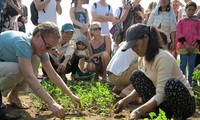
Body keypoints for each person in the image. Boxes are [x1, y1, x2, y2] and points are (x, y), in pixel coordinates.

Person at [114, 23, 195, 120]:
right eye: (132, 47)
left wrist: (138, 111)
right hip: (165, 102)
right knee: (137, 76)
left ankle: (177, 117)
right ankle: (155, 112)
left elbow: (161, 94)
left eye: (136, 45)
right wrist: (124, 101)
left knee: (172, 84)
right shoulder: (142, 58)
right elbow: (142, 87)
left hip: (184, 104)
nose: (134, 50)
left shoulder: (163, 57)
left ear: (146, 38)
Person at [0, 22, 81, 118]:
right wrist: (51, 103)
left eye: (51, 48)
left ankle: (14, 96)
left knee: (34, 60)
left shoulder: (38, 49)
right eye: (47, 46)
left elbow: (53, 75)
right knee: (19, 70)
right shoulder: (23, 43)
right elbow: (29, 77)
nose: (48, 50)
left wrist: (71, 95)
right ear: (38, 36)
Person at [176, 1, 200, 84]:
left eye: (193, 10)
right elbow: (179, 33)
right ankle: (182, 82)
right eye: (189, 9)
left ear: (195, 11)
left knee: (191, 65)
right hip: (183, 46)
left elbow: (199, 33)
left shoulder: (198, 22)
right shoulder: (181, 21)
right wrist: (185, 44)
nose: (191, 11)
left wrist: (195, 44)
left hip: (194, 47)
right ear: (185, 10)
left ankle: (190, 82)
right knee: (183, 64)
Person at [70, 0, 90, 72]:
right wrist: (82, 25)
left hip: (84, 32)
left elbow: (88, 21)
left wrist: (86, 26)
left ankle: (81, 71)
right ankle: (74, 71)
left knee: (83, 51)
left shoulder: (85, 10)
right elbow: (73, 20)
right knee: (74, 50)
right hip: (76, 31)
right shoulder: (73, 9)